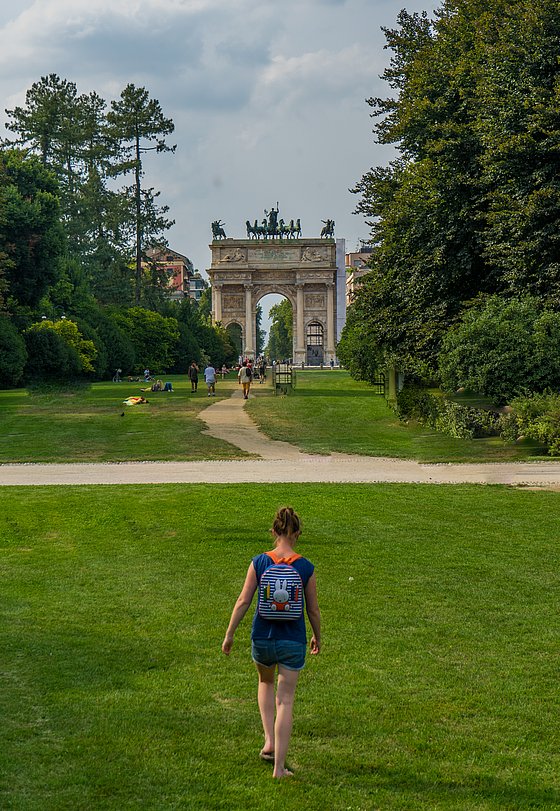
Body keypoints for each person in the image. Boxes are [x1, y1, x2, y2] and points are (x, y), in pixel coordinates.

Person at [222, 507, 321, 779]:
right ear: (297, 533)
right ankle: (279, 768)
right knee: (285, 701)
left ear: (274, 532)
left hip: (262, 638)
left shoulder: (259, 562)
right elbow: (313, 610)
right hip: (292, 640)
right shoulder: (305, 567)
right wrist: (317, 636)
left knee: (265, 682)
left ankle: (269, 740)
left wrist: (230, 634)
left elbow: (243, 601)